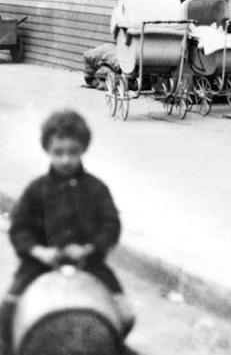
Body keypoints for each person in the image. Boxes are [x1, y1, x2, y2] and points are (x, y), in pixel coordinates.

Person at [0, 111, 135, 354]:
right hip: (40, 264)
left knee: (125, 314)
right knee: (7, 312)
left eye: (72, 152)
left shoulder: (95, 188)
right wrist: (39, 251)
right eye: (58, 153)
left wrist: (89, 248)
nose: (66, 159)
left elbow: (111, 225)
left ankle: (104, 345)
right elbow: (19, 227)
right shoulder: (36, 189)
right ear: (48, 151)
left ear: (83, 148)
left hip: (89, 262)